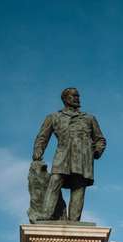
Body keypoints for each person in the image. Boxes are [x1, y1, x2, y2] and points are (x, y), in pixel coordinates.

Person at [32, 87, 106, 221]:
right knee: (54, 181)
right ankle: (46, 214)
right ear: (65, 99)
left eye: (78, 96)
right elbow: (42, 137)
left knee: (78, 188)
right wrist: (38, 151)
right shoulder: (54, 117)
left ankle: (74, 221)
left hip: (83, 160)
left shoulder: (89, 118)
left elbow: (100, 139)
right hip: (63, 156)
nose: (77, 98)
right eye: (74, 96)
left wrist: (96, 151)